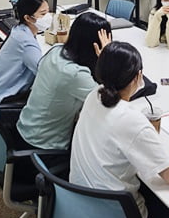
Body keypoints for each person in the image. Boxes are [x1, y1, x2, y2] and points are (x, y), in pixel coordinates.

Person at [70, 41, 169, 218]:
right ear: (138, 76)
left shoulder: (96, 94)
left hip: (79, 202)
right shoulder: (131, 120)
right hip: (116, 217)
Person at [16, 12, 112, 150]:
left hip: (27, 127)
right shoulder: (75, 74)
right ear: (95, 45)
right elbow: (107, 102)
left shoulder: (56, 50)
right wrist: (106, 58)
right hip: (44, 144)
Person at [0, 0, 51, 104]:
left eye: (48, 11)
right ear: (28, 18)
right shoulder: (26, 43)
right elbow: (45, 74)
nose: (48, 17)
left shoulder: (19, 30)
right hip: (3, 97)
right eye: (43, 14)